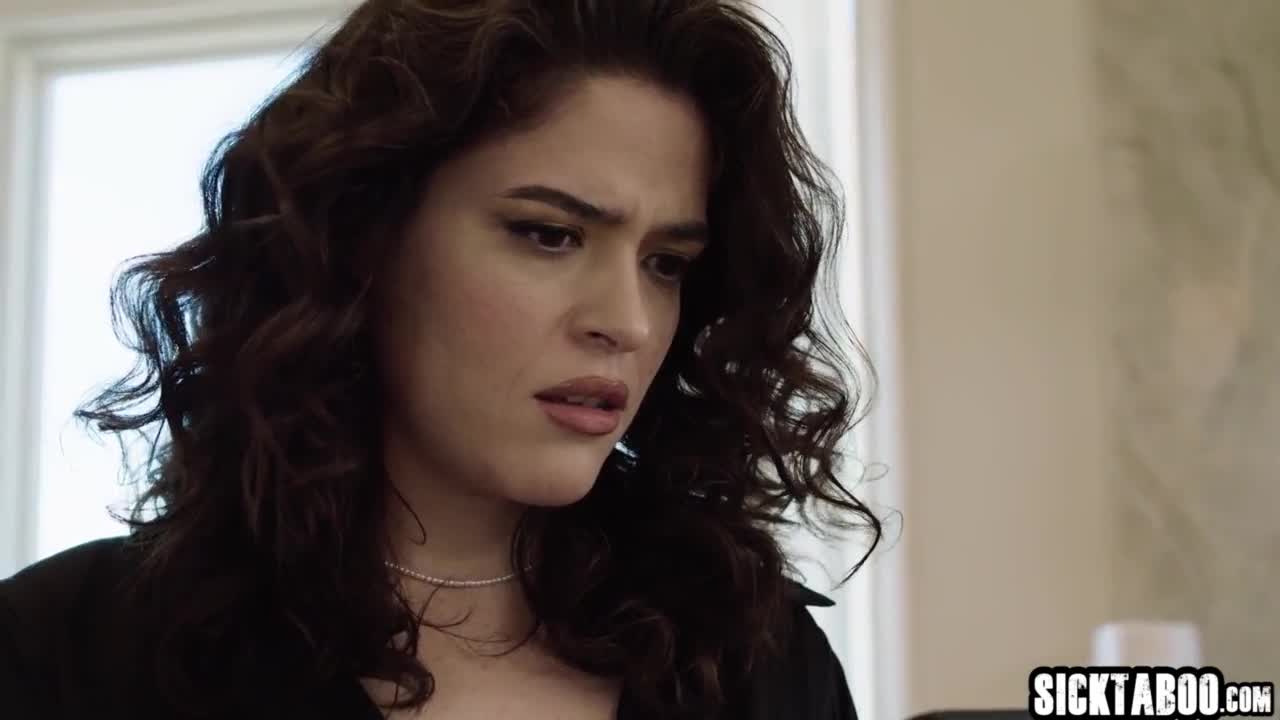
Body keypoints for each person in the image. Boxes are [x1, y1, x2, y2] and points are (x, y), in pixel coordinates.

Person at [0, 0, 882, 717]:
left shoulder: (756, 661)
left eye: (666, 263)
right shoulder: (65, 653)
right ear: (361, 239)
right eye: (549, 234)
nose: (629, 323)